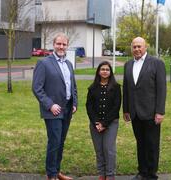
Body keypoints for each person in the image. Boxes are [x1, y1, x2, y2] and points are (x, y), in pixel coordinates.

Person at [32, 33, 77, 180]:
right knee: (54, 141)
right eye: (59, 44)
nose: (61, 47)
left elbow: (73, 85)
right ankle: (51, 175)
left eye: (64, 44)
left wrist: (74, 103)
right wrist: (50, 105)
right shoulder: (44, 63)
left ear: (67, 46)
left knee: (61, 142)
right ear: (54, 44)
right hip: (53, 111)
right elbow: (37, 88)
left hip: (67, 109)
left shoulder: (69, 64)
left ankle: (57, 171)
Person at [123, 37, 167, 180]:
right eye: (134, 47)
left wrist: (160, 111)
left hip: (151, 112)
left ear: (145, 47)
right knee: (140, 143)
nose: (136, 49)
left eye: (139, 46)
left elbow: (162, 89)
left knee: (152, 144)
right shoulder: (128, 65)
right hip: (135, 113)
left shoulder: (157, 63)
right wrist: (126, 109)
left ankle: (151, 174)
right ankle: (142, 172)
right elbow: (127, 89)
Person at [86, 61, 121, 180]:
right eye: (102, 69)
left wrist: (104, 123)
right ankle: (102, 174)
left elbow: (116, 107)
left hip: (111, 123)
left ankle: (110, 175)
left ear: (110, 72)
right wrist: (96, 122)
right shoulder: (92, 88)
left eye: (107, 69)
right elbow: (89, 106)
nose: (105, 71)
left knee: (109, 150)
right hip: (95, 124)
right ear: (98, 72)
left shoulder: (116, 88)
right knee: (99, 150)